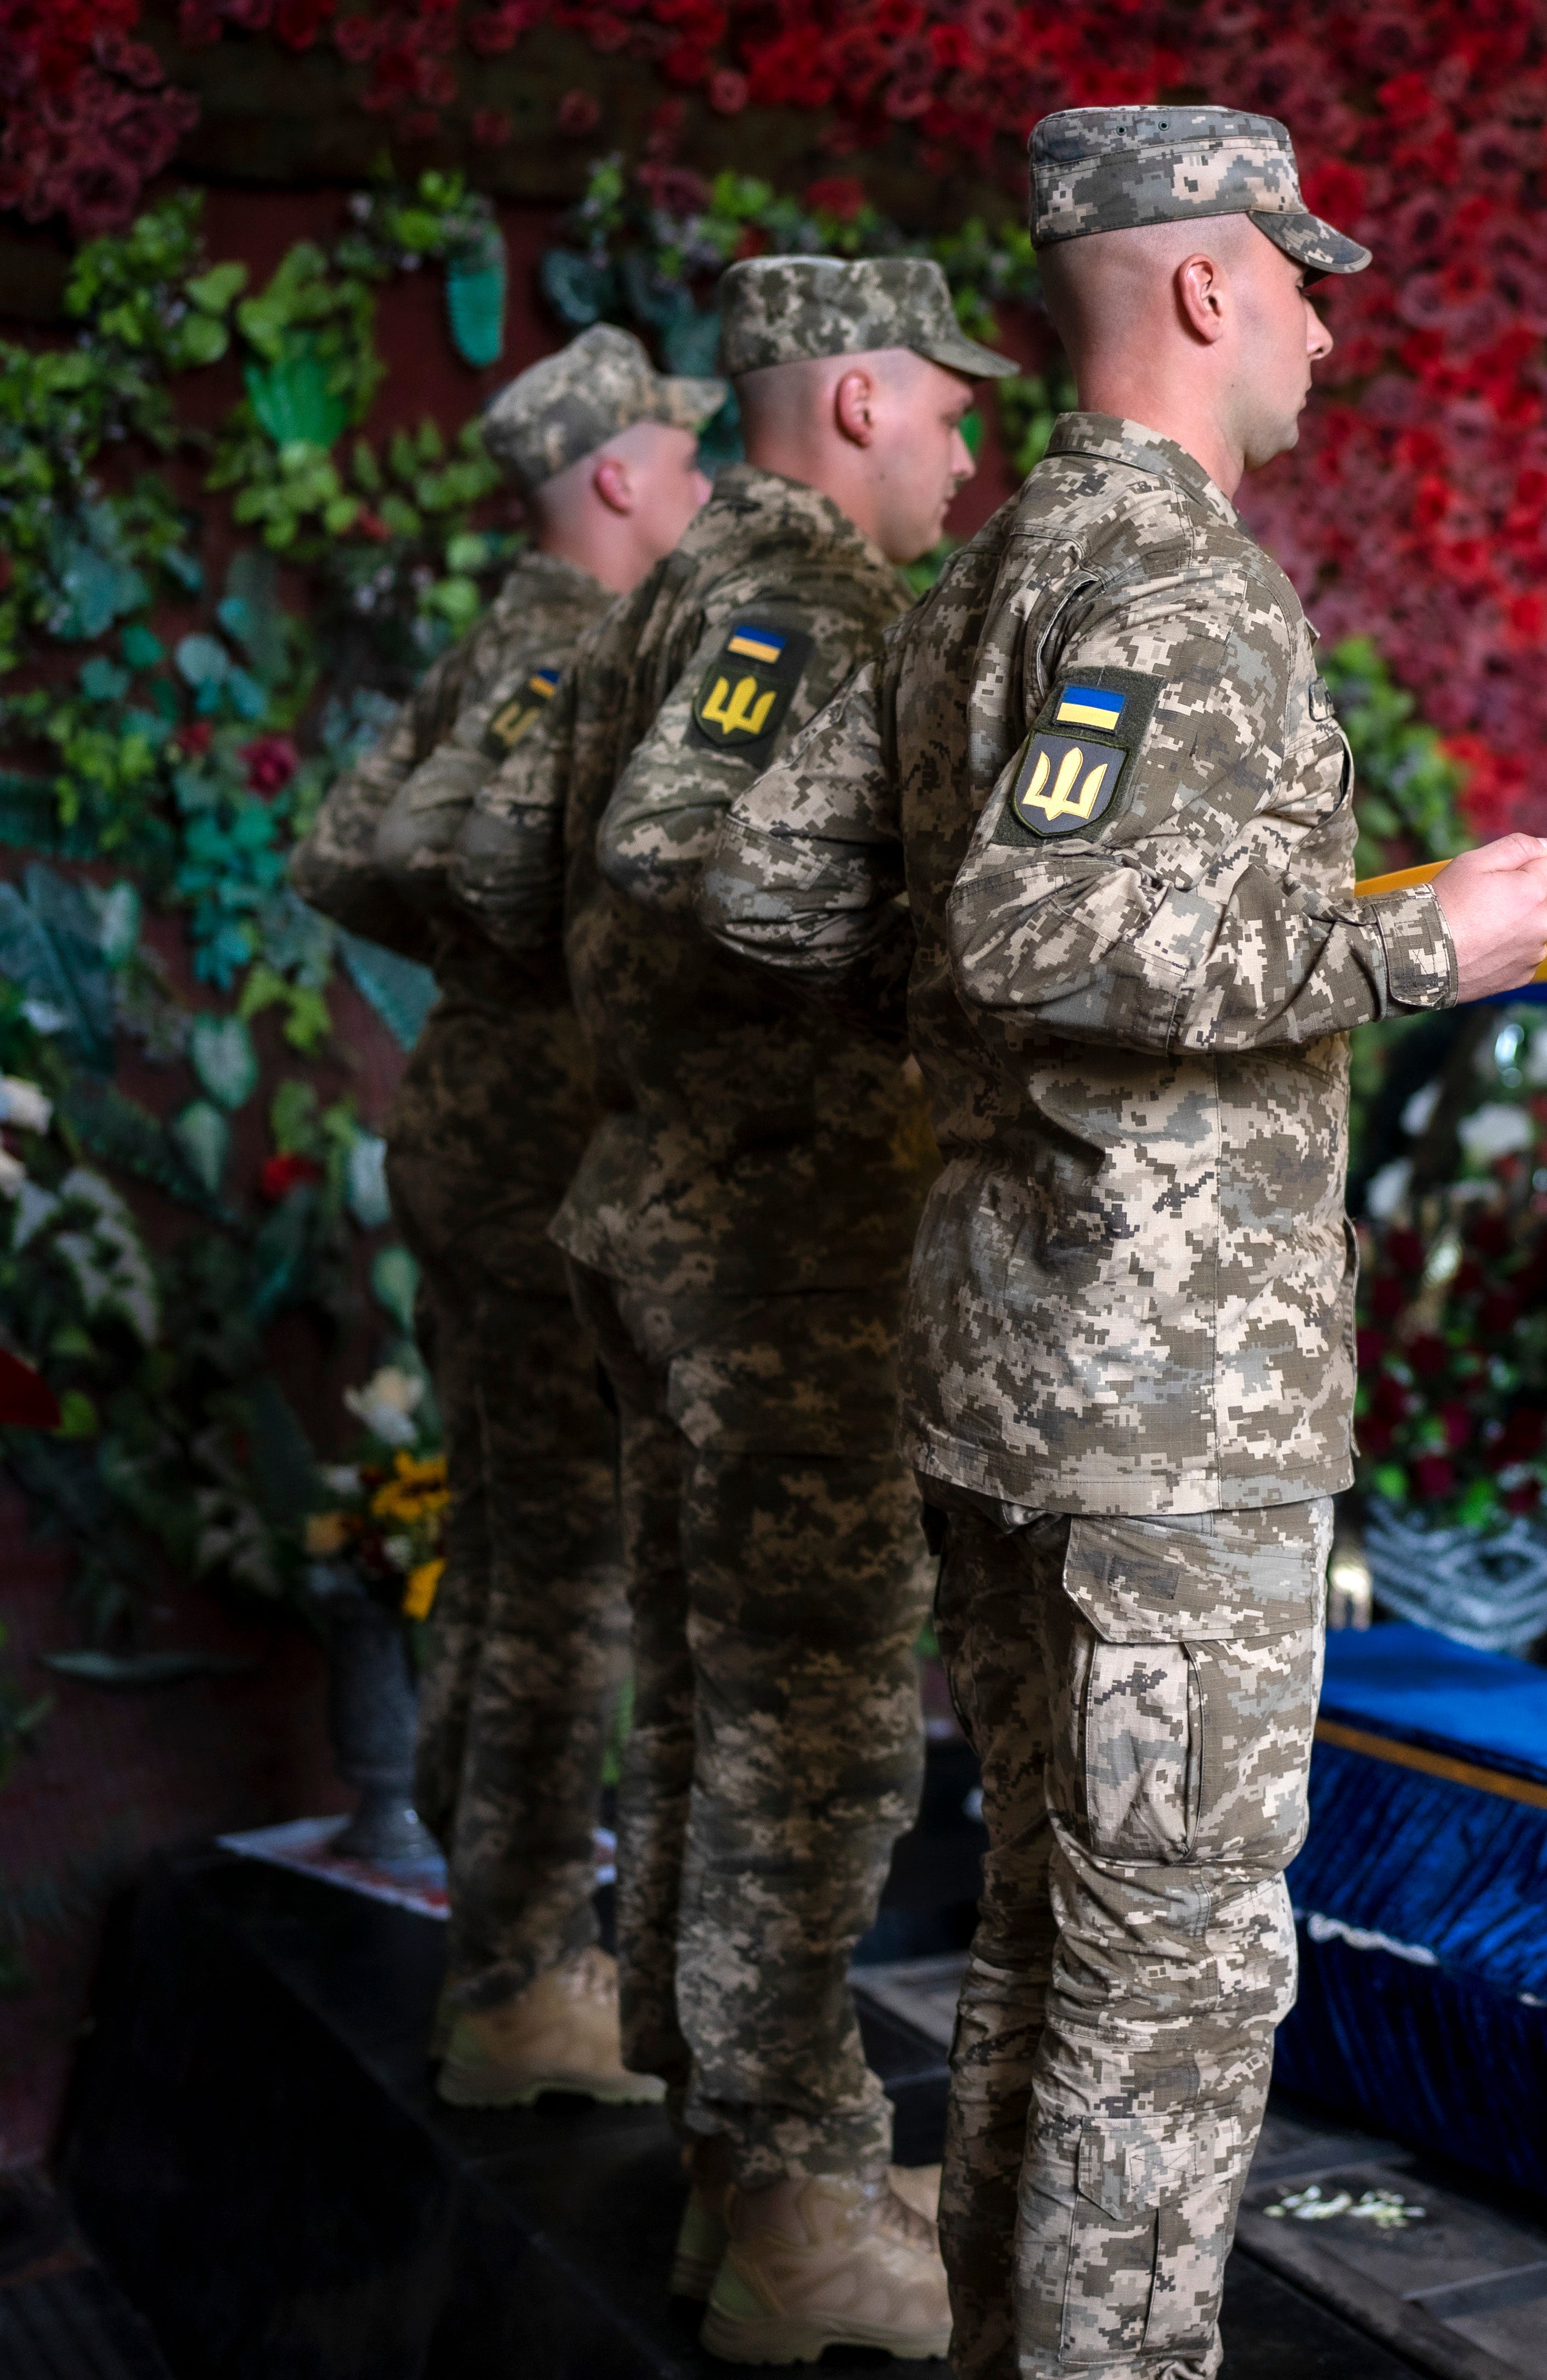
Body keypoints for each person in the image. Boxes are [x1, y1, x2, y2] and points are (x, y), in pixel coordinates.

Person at [697, 105, 1547, 2379]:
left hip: (1011, 1354)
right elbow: (1034, 915)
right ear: (1201, 283)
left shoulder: (977, 569)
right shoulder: (1162, 577)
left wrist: (986, 1061)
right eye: (1298, 279)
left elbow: (777, 885)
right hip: (1157, 1405)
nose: (1313, 327)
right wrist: (1410, 948)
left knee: (1053, 1933)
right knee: (1166, 1973)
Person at [452, 255, 1018, 2361]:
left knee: (706, 1720)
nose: (970, 445)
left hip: (676, 1216)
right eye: (947, 406)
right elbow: (704, 860)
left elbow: (543, 881)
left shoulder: (679, 589)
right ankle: (790, 2194)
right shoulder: (797, 605)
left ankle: (734, 2164)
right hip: (776, 1248)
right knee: (807, 1738)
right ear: (859, 400)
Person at [287, 324, 715, 2106]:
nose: (702, 487)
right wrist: (553, 974)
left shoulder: (501, 646)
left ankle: (510, 1959)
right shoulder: (584, 655)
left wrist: (488, 961)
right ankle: (531, 1973)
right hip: (549, 1151)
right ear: (615, 476)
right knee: (559, 1570)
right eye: (682, 461)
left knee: (525, 1545)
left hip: (478, 1125)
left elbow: (341, 846)